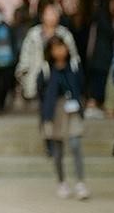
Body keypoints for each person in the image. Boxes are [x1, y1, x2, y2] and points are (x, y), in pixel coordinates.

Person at [36, 34, 89, 200]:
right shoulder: (46, 69)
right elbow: (41, 93)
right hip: (55, 110)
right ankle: (62, 182)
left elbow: (81, 85)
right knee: (57, 149)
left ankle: (80, 182)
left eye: (62, 46)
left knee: (75, 144)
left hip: (72, 108)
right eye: (56, 48)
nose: (60, 51)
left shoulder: (73, 66)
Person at [16, 0, 78, 106]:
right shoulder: (33, 34)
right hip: (37, 73)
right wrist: (23, 72)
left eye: (54, 13)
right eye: (49, 13)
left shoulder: (64, 34)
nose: (52, 16)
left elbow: (73, 56)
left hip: (60, 74)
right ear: (42, 15)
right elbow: (25, 55)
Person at [83, 0, 114, 118]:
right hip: (100, 58)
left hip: (98, 58)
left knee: (98, 82)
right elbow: (112, 34)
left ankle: (94, 106)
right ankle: (92, 106)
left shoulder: (98, 17)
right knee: (98, 83)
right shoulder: (103, 18)